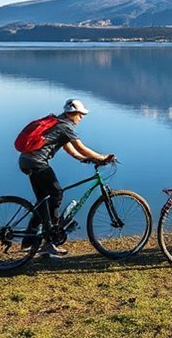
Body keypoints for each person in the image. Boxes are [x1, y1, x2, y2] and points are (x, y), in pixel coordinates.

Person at [19, 98, 115, 257]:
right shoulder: (65, 127)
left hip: (26, 160)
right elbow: (81, 148)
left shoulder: (57, 123)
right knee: (57, 194)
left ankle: (29, 241)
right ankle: (50, 241)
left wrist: (87, 160)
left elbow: (72, 151)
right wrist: (101, 158)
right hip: (37, 162)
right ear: (73, 114)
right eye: (81, 114)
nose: (82, 118)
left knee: (43, 201)